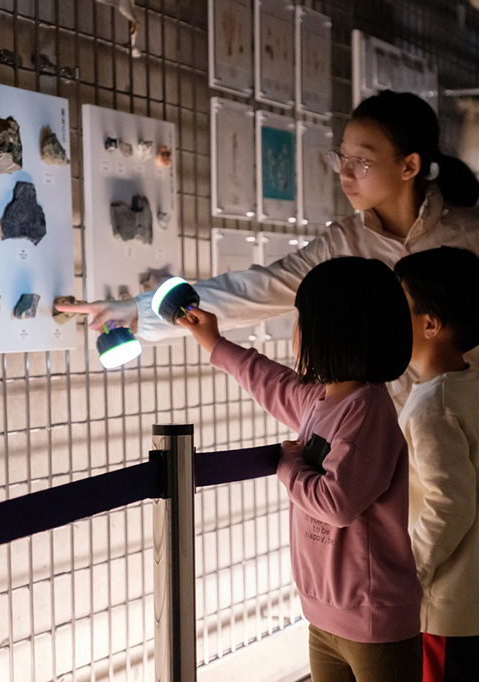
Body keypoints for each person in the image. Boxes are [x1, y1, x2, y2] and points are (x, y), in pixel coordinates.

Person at [59, 90, 479, 682]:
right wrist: (138, 311)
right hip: (393, 442)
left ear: (410, 165)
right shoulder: (341, 242)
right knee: (432, 606)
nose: (345, 173)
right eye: (341, 158)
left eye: (360, 160)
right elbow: (256, 289)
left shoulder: (472, 232)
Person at [179, 257, 422, 682]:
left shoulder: (367, 411)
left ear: (335, 330)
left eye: (301, 319)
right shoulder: (321, 400)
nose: (295, 331)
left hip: (374, 621)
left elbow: (336, 503)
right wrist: (214, 342)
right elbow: (271, 383)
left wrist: (287, 463)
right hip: (322, 618)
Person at [394, 247, 479, 682]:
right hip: (478, 602)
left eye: (398, 306)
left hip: (445, 610)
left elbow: (450, 503)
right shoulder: (461, 387)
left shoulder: (434, 405)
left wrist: (409, 573)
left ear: (431, 325)